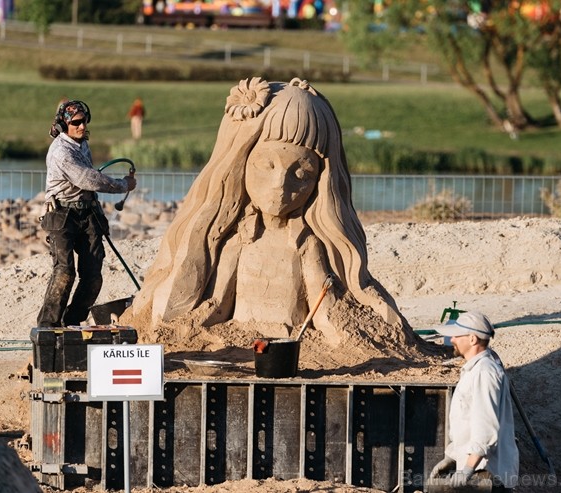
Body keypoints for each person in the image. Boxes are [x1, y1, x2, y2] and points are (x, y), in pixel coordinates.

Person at [126, 77, 410, 345]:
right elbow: (217, 305)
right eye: (266, 166)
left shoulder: (307, 245)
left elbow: (324, 312)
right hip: (243, 341)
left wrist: (350, 333)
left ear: (320, 181)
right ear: (240, 165)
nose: (280, 186)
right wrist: (184, 330)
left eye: (302, 173)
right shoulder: (238, 242)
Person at [37, 99, 137, 327]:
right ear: (64, 126)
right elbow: (88, 178)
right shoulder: (60, 152)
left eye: (85, 121)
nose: (82, 126)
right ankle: (48, 328)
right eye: (77, 123)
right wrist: (123, 185)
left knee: (93, 277)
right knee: (64, 272)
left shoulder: (81, 143)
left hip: (88, 213)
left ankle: (72, 322)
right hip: (62, 215)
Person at [429, 311, 519, 491]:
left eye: (456, 335)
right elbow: (468, 424)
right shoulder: (474, 371)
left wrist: (468, 468)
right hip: (480, 472)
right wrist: (453, 457)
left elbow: (486, 427)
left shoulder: (484, 373)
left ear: (472, 339)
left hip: (487, 474)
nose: (452, 339)